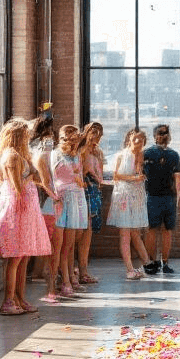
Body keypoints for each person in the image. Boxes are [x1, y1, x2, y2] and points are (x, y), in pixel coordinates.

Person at [0, 118, 51, 316]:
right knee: (15, 257)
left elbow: (34, 177)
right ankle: (8, 299)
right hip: (18, 209)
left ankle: (20, 297)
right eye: (25, 135)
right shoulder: (11, 156)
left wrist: (32, 170)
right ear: (18, 136)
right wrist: (30, 174)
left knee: (24, 255)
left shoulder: (21, 155)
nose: (29, 137)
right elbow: (17, 186)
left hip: (26, 208)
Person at [30, 117, 67, 303]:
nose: (51, 137)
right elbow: (45, 182)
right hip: (50, 205)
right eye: (49, 133)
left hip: (52, 204)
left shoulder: (48, 154)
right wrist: (55, 197)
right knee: (52, 249)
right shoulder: (42, 155)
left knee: (55, 249)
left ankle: (53, 288)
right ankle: (51, 289)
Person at [107, 129, 152, 279]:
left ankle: (147, 264)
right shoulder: (121, 155)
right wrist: (133, 178)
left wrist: (140, 167)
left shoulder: (144, 156)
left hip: (137, 196)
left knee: (135, 233)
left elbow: (145, 174)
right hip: (124, 195)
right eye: (135, 139)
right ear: (129, 139)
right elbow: (115, 175)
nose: (138, 142)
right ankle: (129, 269)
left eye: (141, 140)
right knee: (125, 234)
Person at [50, 125, 88, 293]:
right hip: (64, 198)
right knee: (64, 244)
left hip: (78, 197)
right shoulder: (55, 154)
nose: (73, 142)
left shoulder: (77, 155)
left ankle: (71, 276)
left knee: (72, 242)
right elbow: (54, 177)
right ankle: (65, 280)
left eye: (75, 138)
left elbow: (79, 176)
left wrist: (80, 181)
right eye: (71, 138)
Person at [143, 123, 180, 275]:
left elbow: (178, 177)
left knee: (167, 230)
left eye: (165, 133)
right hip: (152, 197)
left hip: (169, 198)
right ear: (154, 136)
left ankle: (165, 263)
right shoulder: (146, 153)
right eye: (159, 133)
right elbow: (139, 173)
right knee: (151, 230)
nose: (163, 136)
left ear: (169, 136)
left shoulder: (174, 155)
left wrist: (179, 197)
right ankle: (152, 262)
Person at [77, 122, 105, 286]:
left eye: (98, 136)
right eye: (93, 136)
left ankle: (83, 270)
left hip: (93, 191)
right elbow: (77, 172)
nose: (95, 139)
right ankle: (78, 270)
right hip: (83, 192)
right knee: (80, 233)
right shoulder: (80, 152)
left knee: (88, 233)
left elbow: (100, 175)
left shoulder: (97, 152)